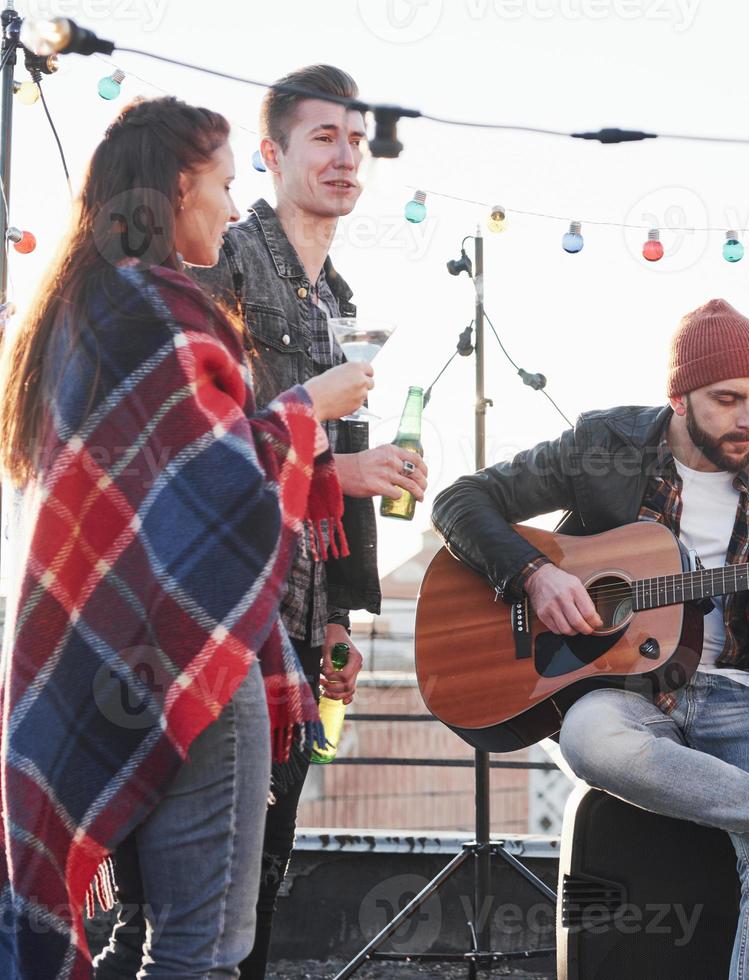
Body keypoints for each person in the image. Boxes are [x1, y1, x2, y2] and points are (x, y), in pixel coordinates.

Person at [432, 298, 749, 979]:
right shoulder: (607, 445)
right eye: (726, 400)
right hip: (625, 689)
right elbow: (459, 500)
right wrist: (534, 575)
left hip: (744, 695)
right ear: (677, 396)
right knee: (588, 740)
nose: (748, 418)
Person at [0, 96, 369, 978]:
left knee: (149, 936)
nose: (235, 209)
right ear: (176, 187)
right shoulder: (163, 310)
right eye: (226, 185)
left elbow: (142, 488)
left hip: (99, 660)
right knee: (201, 952)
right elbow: (219, 479)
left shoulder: (77, 312)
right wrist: (313, 405)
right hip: (196, 662)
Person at [181, 64, 428, 979]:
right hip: (217, 612)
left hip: (296, 617)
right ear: (269, 153)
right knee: (193, 897)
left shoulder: (341, 301)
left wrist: (337, 619)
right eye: (323, 137)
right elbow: (194, 443)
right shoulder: (226, 264)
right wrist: (340, 464)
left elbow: (339, 488)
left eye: (356, 140)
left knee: (261, 880)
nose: (345, 156)